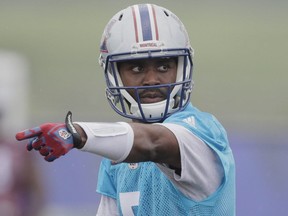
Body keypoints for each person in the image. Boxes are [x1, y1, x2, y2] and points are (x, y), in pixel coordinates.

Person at [15, 3, 235, 215]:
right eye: (137, 67)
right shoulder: (117, 156)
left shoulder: (205, 132)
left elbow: (154, 143)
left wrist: (80, 134)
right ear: (115, 75)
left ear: (182, 69)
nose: (151, 80)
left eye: (164, 66)